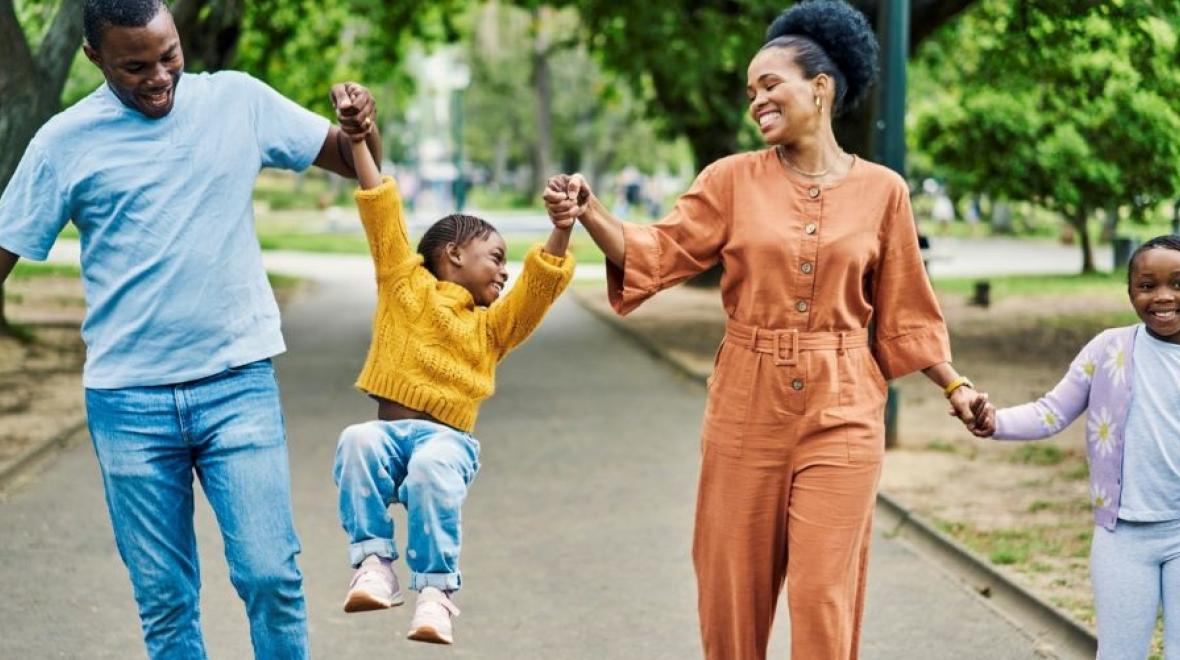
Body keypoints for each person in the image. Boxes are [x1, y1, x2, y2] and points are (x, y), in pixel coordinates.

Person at [542, 1, 986, 658]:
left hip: (843, 404)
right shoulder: (729, 181)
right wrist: (590, 211)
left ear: (821, 87)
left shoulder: (884, 192)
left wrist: (956, 389)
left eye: (770, 83)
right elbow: (656, 252)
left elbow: (907, 309)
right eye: (751, 91)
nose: (757, 101)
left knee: (821, 595)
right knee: (731, 592)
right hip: (746, 404)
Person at [0, 1, 380, 657]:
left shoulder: (237, 100)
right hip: (128, 402)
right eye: (136, 66)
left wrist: (364, 127)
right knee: (167, 605)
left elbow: (357, 162)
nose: (159, 77)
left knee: (272, 577)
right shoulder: (63, 143)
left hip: (237, 385)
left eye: (169, 54)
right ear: (94, 59)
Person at [330, 102, 576, 645]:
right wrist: (357, 141)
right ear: (453, 255)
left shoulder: (493, 328)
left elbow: (537, 290)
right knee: (355, 441)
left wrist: (562, 229)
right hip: (388, 435)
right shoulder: (403, 284)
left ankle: (436, 594)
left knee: (432, 467)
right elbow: (381, 211)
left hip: (447, 442)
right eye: (495, 256)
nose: (504, 269)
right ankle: (373, 563)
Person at [972, 236, 1180, 660]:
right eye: (1146, 285)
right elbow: (1051, 412)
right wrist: (995, 422)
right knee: (1119, 653)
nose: (1163, 296)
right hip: (1122, 535)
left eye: (1177, 283)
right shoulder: (1109, 349)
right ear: (1129, 292)